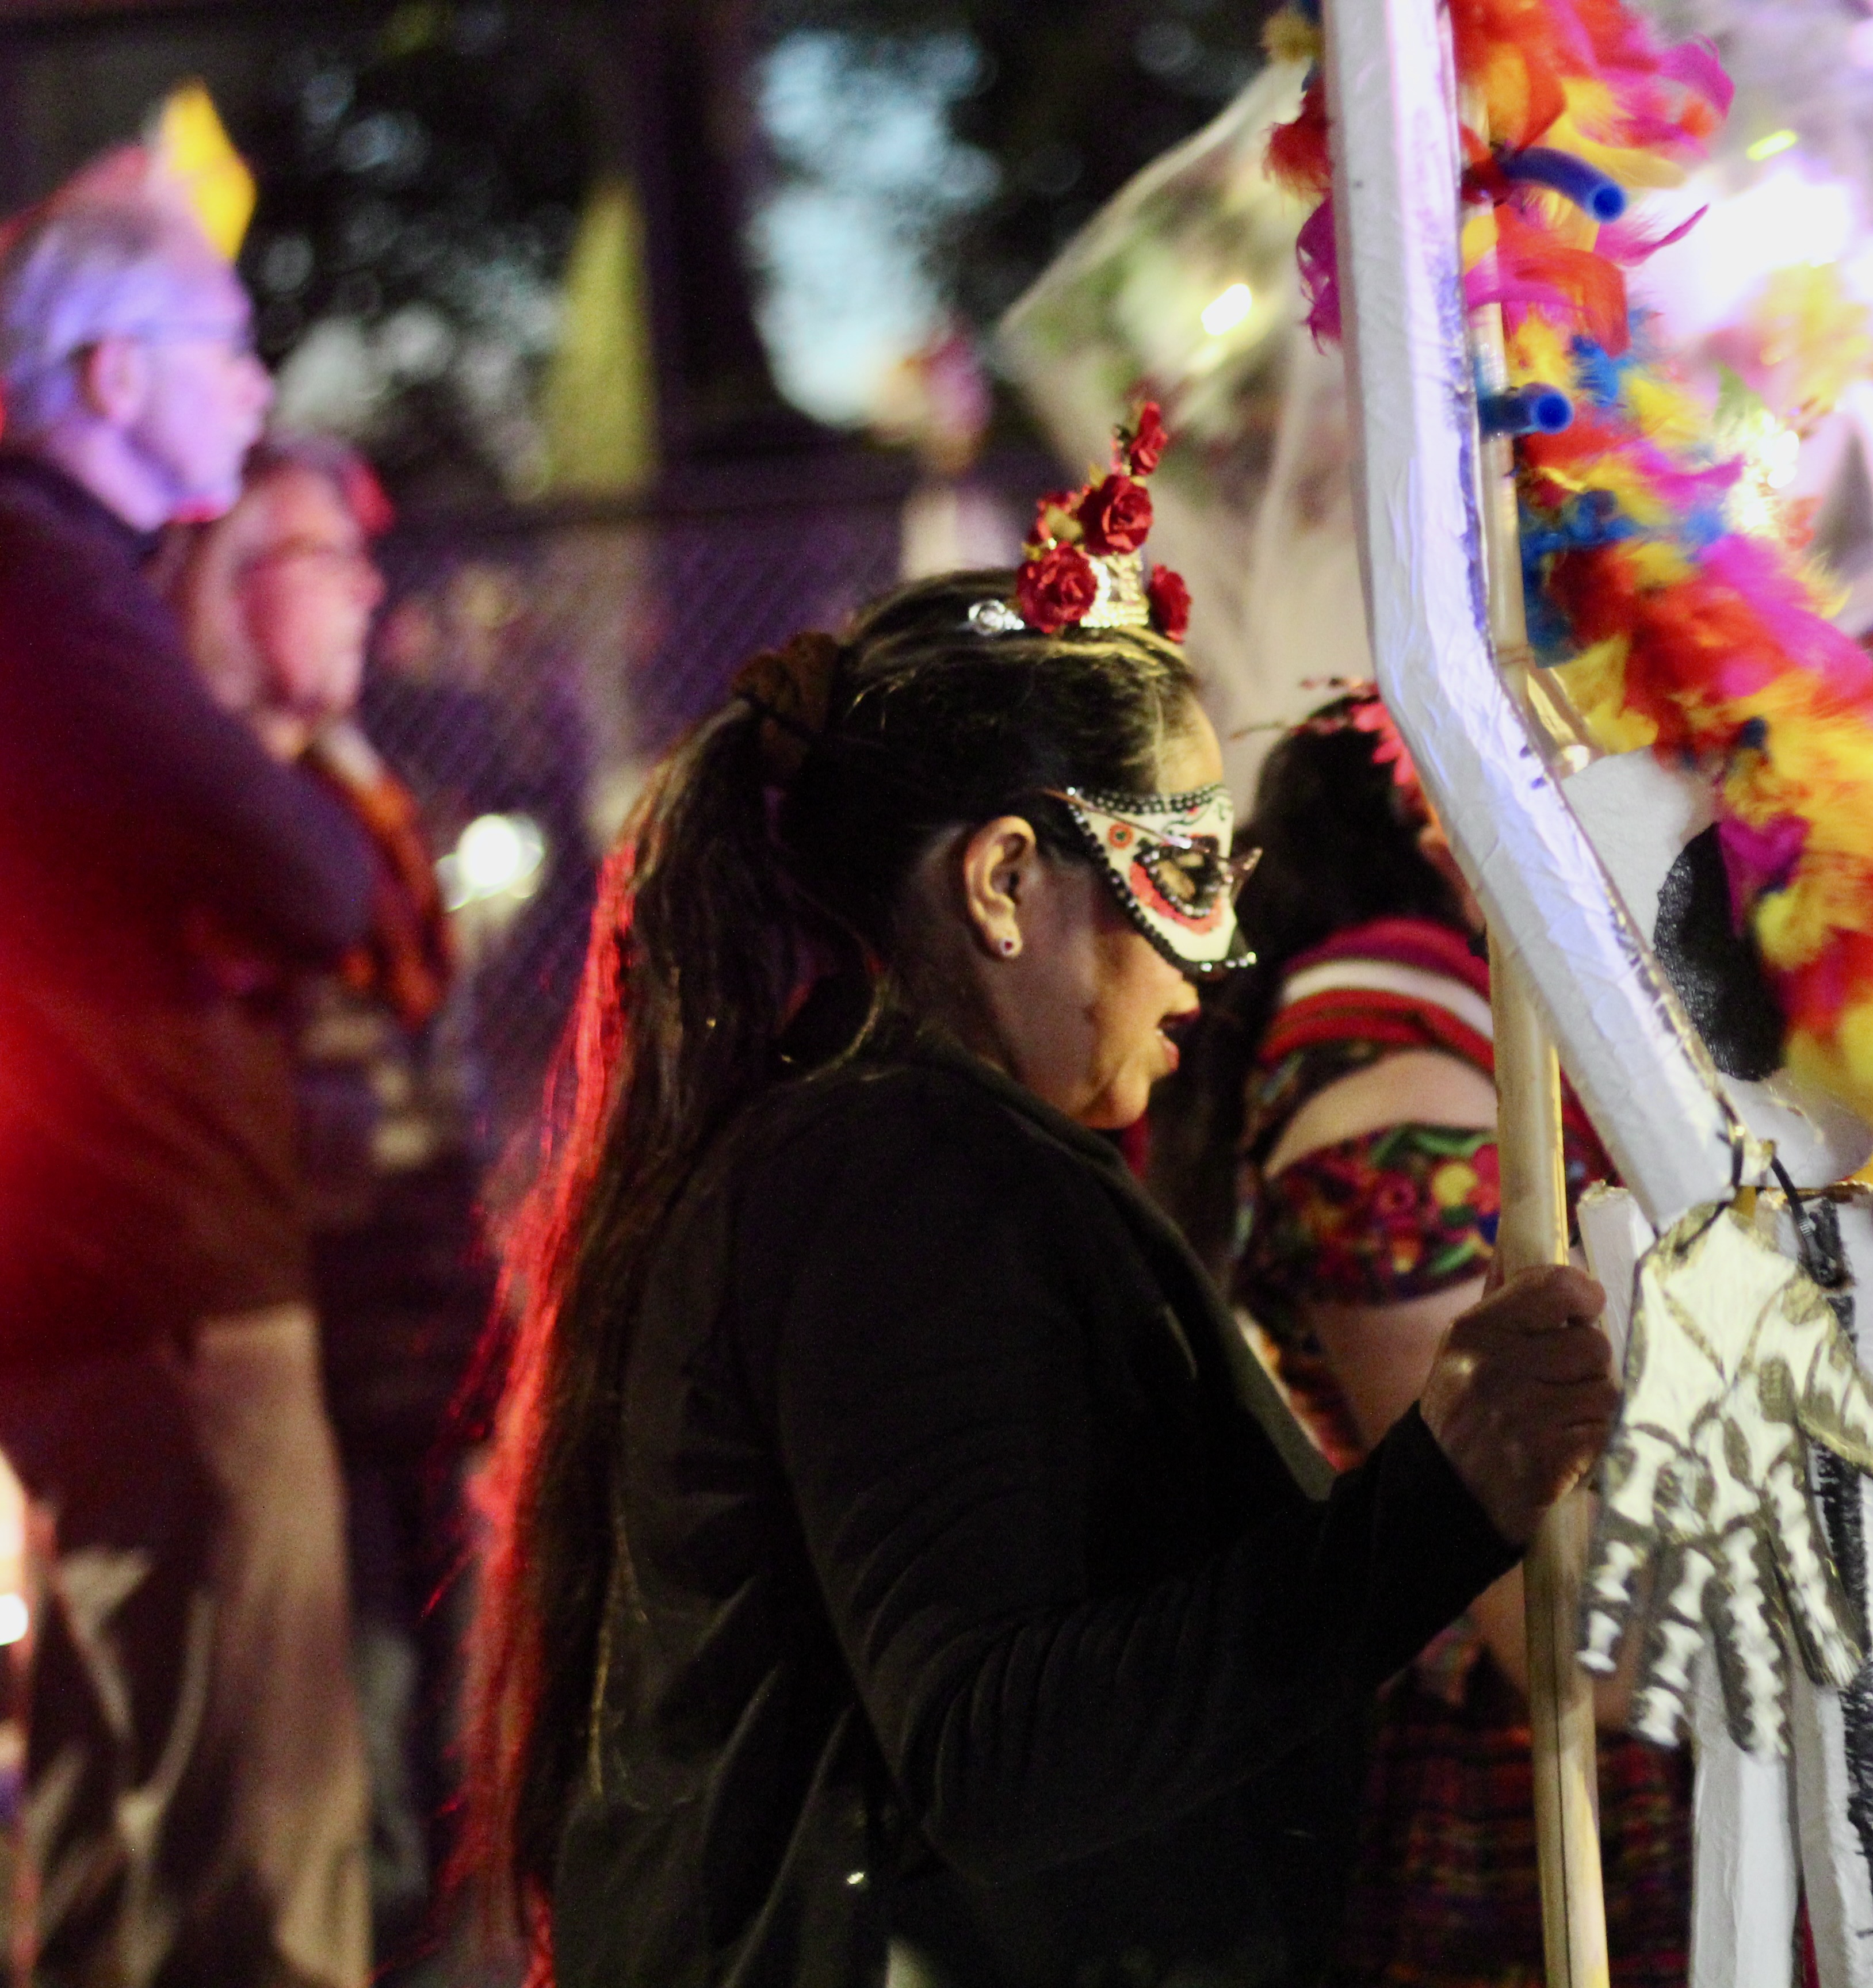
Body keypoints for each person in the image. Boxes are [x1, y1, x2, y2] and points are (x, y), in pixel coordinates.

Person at [465, 541, 1619, 1987]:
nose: (1211, 960)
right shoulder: (901, 1174)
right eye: (1184, 870)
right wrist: (1437, 1493)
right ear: (1005, 878)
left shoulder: (876, 1149)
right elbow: (995, 1749)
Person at [1146, 688, 1692, 1987]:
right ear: (1437, 812)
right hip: (1530, 1768)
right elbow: (1527, 1598)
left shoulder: (1436, 1035)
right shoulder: (1385, 1073)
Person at [0, 160, 379, 1983]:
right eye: (220, 348)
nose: (254, 383)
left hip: (88, 1281)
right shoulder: (56, 590)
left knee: (103, 1835)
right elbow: (314, 876)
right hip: (166, 1285)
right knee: (253, 1853)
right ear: (105, 380)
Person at [158, 434, 494, 1978]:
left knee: (432, 1710)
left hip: (416, 1333)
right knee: (331, 1739)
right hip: (294, 1335)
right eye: (324, 559)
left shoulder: (361, 783)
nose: (367, 591)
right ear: (236, 586)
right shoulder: (215, 799)